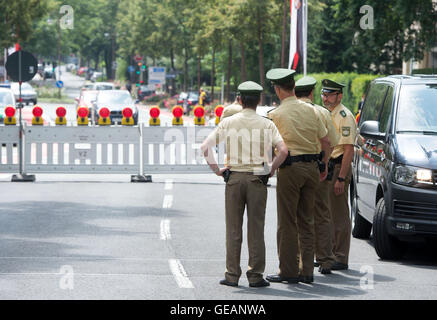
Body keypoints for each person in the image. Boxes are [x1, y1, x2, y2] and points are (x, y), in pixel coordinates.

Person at [201, 81, 288, 288]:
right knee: (256, 229)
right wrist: (271, 169)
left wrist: (217, 170)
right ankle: (255, 276)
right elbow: (283, 151)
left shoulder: (229, 122)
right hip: (257, 178)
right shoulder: (267, 123)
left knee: (233, 229)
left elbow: (205, 147)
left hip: (234, 178)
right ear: (259, 100)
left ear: (239, 100)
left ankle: (232, 275)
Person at [265, 69, 331, 284]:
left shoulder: (275, 114)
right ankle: (307, 271)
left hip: (290, 169)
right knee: (306, 219)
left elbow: (268, 146)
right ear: (293, 87)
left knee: (287, 221)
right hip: (312, 167)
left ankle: (288, 271)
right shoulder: (312, 110)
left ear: (277, 89)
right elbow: (326, 142)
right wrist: (324, 164)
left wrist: (268, 167)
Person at [294, 76, 339, 274]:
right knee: (322, 213)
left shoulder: (289, 111)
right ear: (312, 93)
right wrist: (326, 163)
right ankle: (326, 259)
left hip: (293, 168)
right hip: (317, 166)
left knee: (297, 215)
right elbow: (332, 142)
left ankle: (300, 260)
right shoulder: (322, 112)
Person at [321, 79, 357, 271]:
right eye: (323, 94)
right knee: (326, 212)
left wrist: (342, 178)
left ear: (339, 96)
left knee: (339, 213)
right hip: (328, 166)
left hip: (338, 167)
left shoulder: (345, 116)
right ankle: (329, 253)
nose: (325, 98)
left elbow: (349, 150)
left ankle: (341, 256)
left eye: (329, 95)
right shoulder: (327, 113)